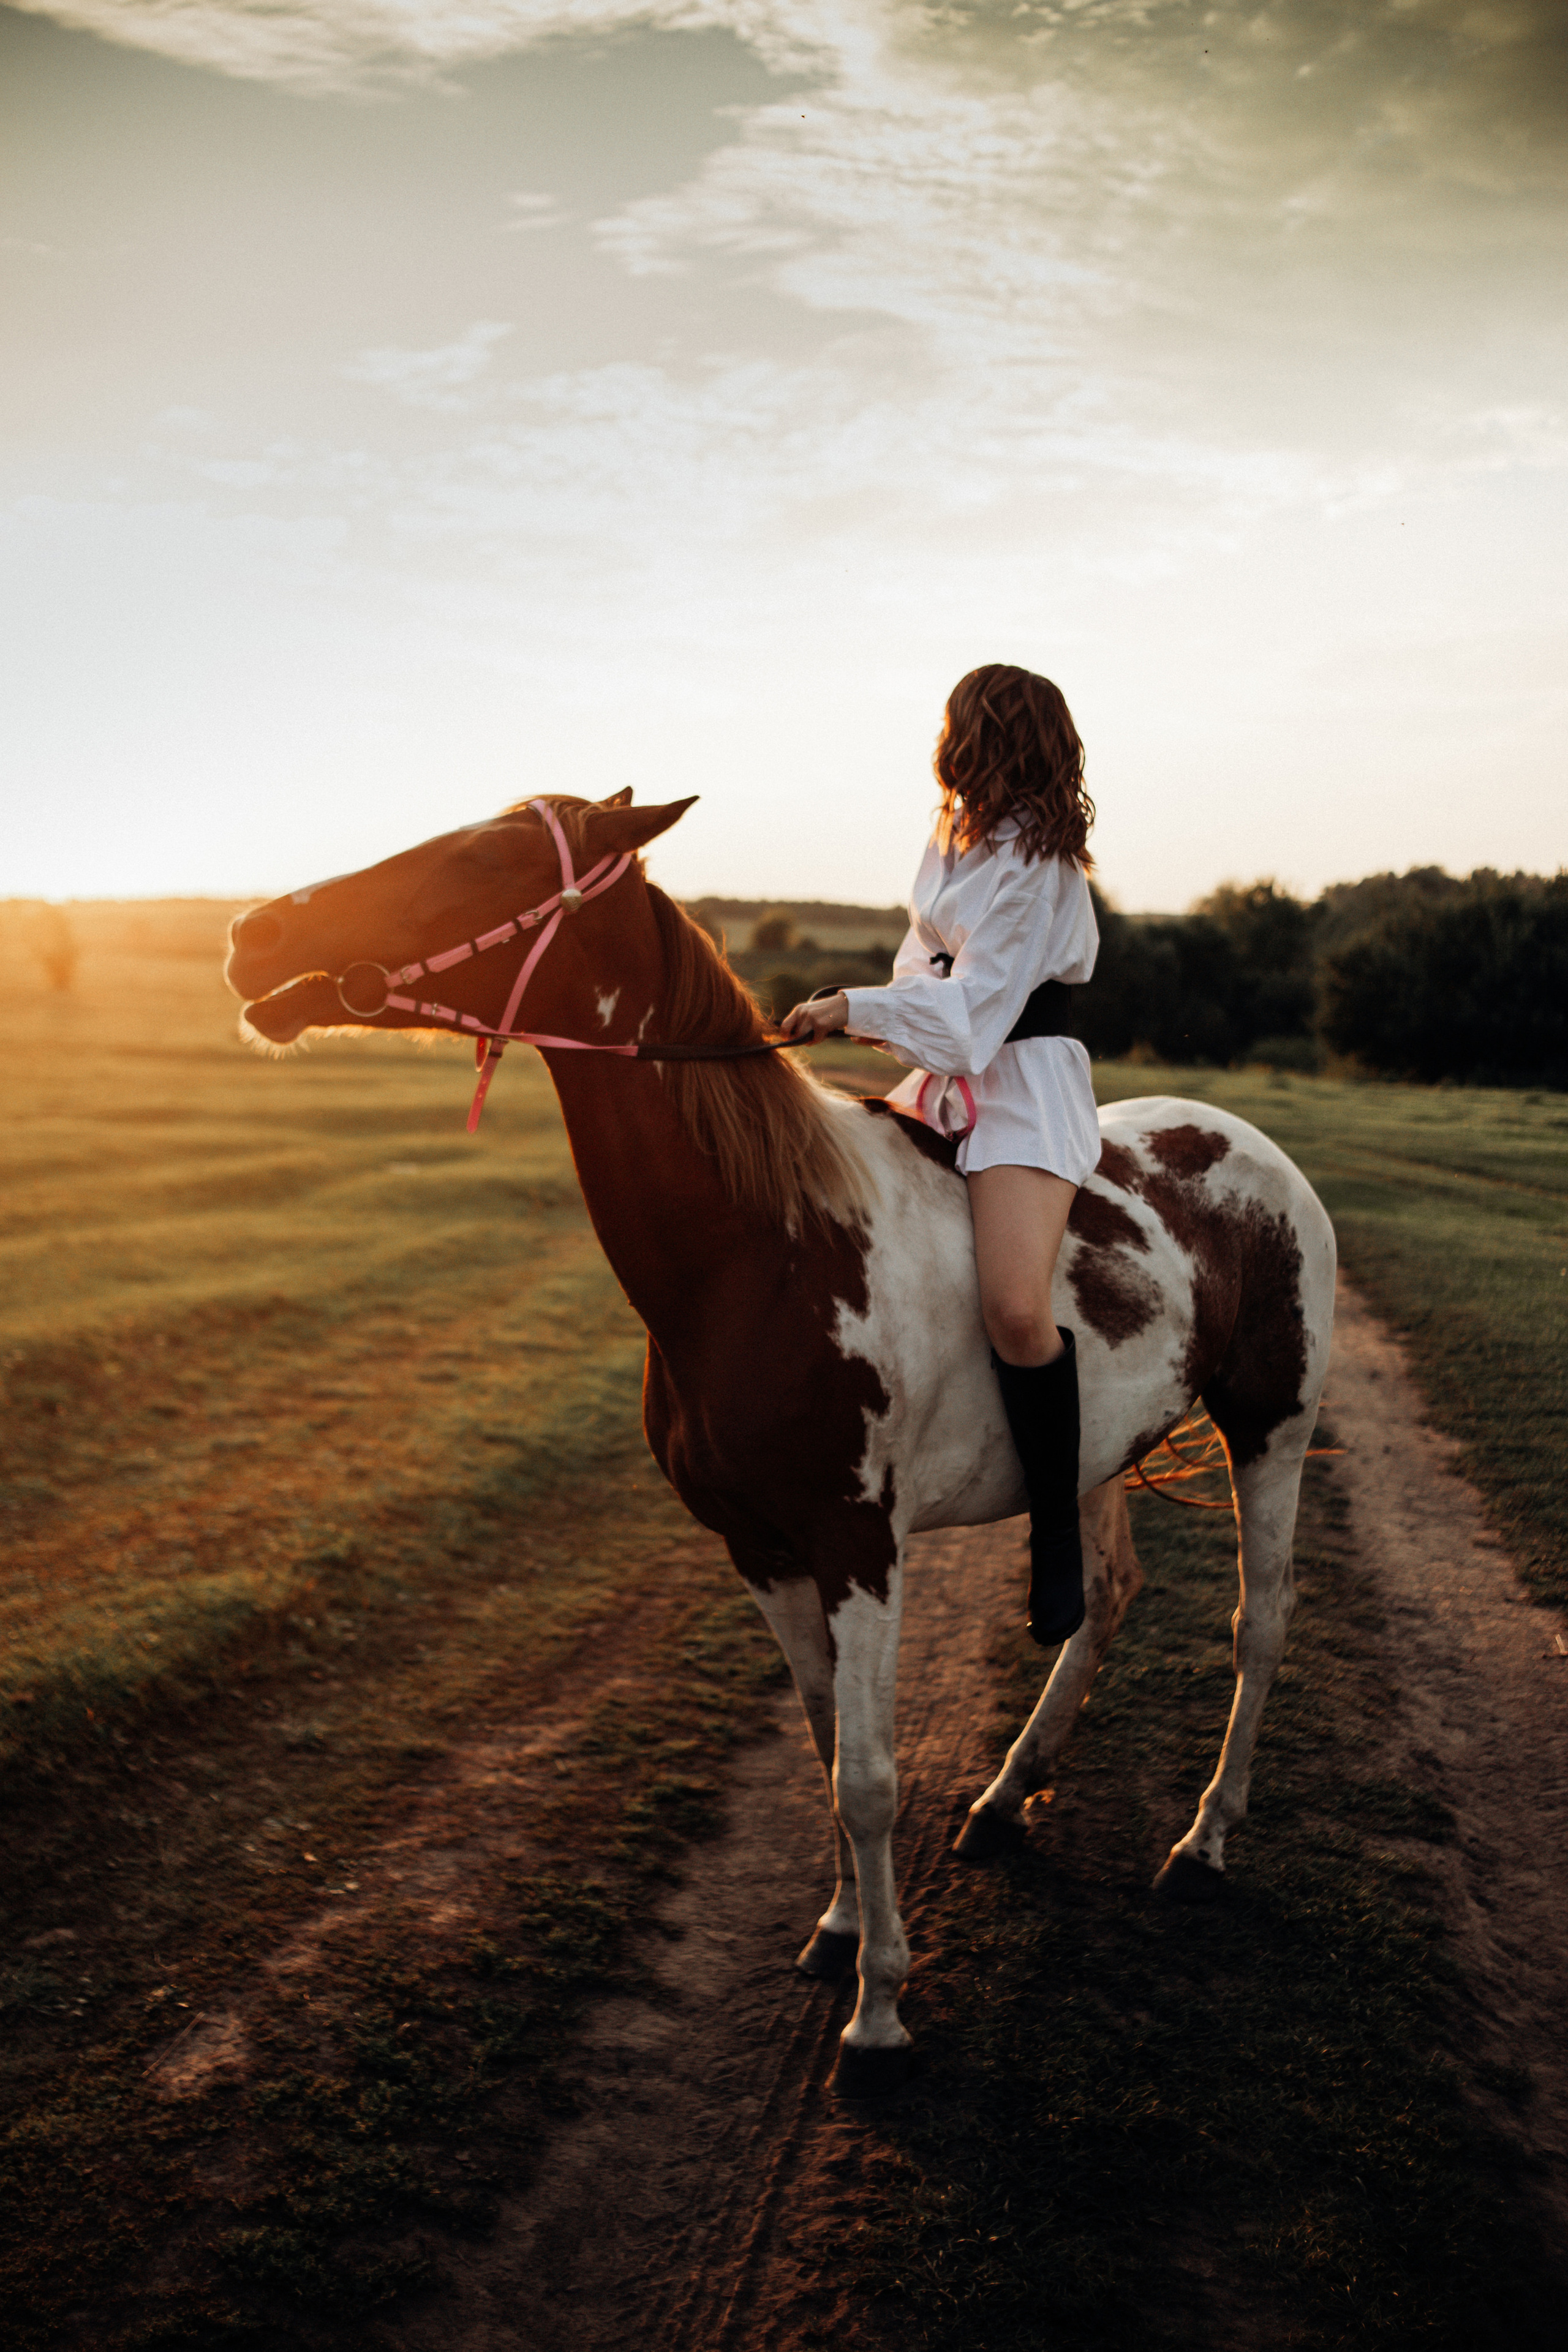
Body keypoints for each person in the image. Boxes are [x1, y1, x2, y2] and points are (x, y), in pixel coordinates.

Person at [780, 663, 1101, 1645]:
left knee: (1011, 1306)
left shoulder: (1043, 864)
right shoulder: (948, 838)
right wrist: (882, 1016)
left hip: (1018, 1087)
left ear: (992, 738)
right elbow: (922, 969)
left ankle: (1056, 1537)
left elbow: (972, 1022)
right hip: (942, 1074)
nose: (951, 748)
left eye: (963, 730)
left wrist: (851, 1011)